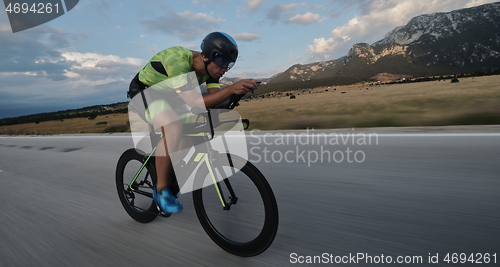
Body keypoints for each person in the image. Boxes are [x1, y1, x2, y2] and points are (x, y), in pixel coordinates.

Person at [128, 32, 259, 214]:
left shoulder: (212, 72)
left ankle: (168, 166)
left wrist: (238, 92)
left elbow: (214, 100)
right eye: (223, 63)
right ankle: (161, 190)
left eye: (229, 64)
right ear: (207, 57)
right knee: (173, 127)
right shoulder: (179, 60)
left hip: (172, 96)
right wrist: (231, 88)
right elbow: (196, 103)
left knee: (193, 133)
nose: (225, 69)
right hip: (146, 92)